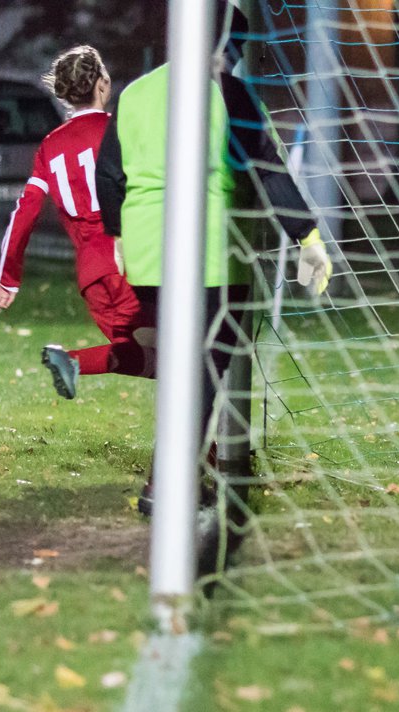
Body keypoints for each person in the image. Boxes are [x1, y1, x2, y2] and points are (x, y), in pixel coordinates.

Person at [96, 0, 331, 516]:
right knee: (205, 373)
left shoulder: (135, 92)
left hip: (147, 256)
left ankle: (177, 475)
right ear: (226, 46)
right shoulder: (231, 95)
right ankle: (168, 486)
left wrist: (117, 234)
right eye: (235, 49)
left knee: (185, 371)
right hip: (207, 257)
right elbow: (270, 169)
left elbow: (109, 173)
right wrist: (307, 236)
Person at [0, 45, 154, 400]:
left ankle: (71, 361)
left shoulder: (49, 147)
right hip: (132, 262)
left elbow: (24, 213)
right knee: (184, 359)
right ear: (102, 82)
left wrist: (7, 279)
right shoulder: (120, 130)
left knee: (147, 359)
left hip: (92, 277)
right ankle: (205, 450)